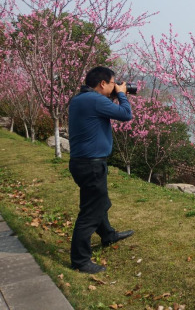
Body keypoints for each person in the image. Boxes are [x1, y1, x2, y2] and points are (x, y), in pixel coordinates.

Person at [68, 66, 134, 274]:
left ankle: (108, 235)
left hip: (83, 162)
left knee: (99, 203)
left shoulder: (81, 99)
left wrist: (114, 95)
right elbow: (126, 115)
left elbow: (103, 112)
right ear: (103, 83)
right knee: (91, 211)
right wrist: (122, 95)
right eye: (114, 83)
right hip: (91, 164)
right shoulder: (95, 100)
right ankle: (80, 260)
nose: (116, 86)